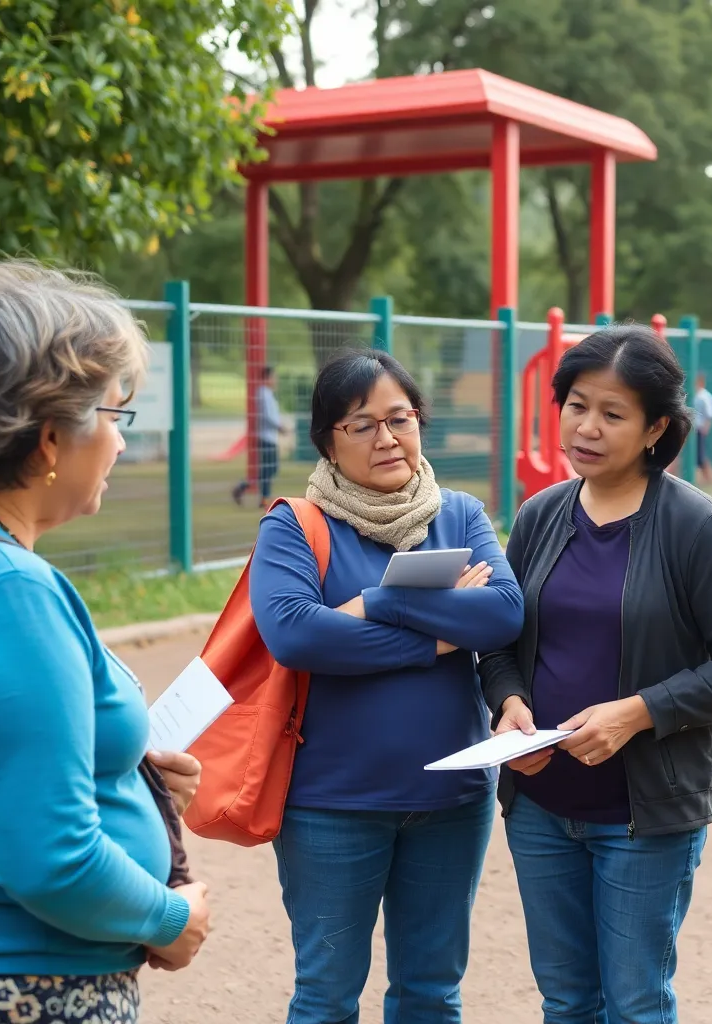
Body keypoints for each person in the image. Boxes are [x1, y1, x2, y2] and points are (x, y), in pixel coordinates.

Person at [478, 325, 712, 1024]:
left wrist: (636, 711)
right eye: (577, 404)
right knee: (566, 999)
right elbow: (498, 642)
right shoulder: (539, 516)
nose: (587, 427)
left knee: (637, 1002)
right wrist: (509, 701)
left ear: (656, 429)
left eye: (613, 414)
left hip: (646, 815)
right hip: (542, 806)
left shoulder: (695, 525)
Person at [0, 261, 210, 1023]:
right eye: (113, 416)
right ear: (48, 439)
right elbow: (51, 857)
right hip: (24, 987)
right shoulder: (9, 592)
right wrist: (172, 918)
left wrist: (125, 775)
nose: (121, 443)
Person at [248, 349, 524, 1024]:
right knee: (326, 996)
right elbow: (296, 635)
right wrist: (438, 632)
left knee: (431, 992)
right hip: (331, 803)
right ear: (327, 442)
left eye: (400, 418)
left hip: (450, 797)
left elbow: (502, 612)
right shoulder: (294, 525)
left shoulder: (458, 514)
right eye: (361, 424)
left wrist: (379, 602)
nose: (387, 438)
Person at [232, 364, 288, 510]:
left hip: (268, 437)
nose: (276, 380)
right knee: (268, 469)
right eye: (274, 377)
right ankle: (260, 497)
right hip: (266, 438)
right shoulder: (264, 394)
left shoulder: (266, 393)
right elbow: (268, 416)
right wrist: (280, 427)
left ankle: (248, 490)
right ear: (267, 378)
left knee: (267, 470)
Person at [693, 372, 712, 486]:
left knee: (701, 456)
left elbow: (710, 414)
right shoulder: (693, 394)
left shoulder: (705, 396)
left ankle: (708, 479)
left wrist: (706, 428)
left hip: (700, 429)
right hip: (691, 430)